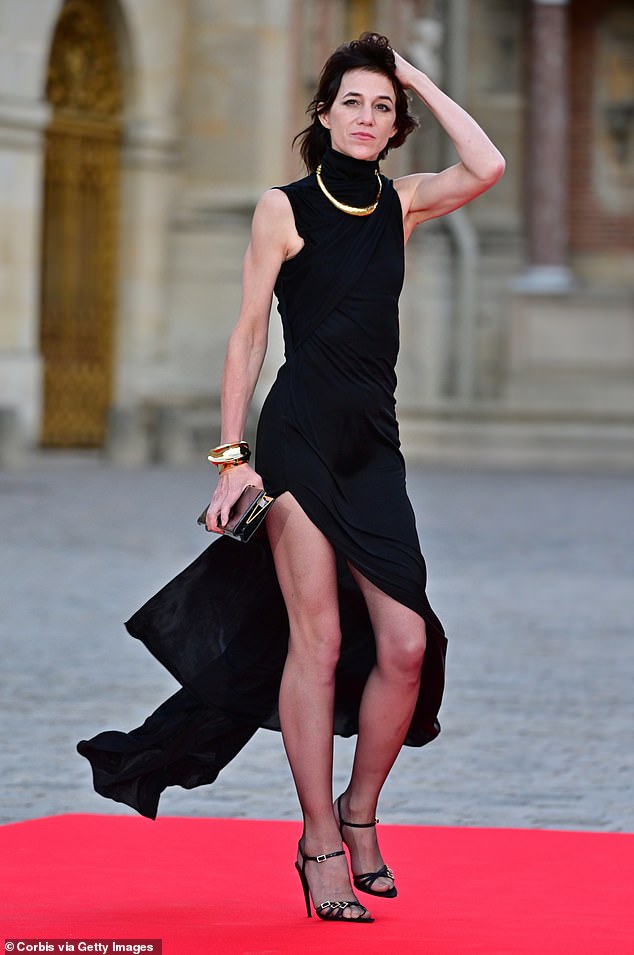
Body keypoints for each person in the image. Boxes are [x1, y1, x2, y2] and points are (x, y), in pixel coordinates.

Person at [78, 33, 504, 924]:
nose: (367, 116)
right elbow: (246, 335)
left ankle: (361, 810)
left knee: (405, 642)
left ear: (395, 128)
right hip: (300, 438)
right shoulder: (282, 208)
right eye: (352, 100)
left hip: (373, 446)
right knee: (316, 642)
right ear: (323, 114)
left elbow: (489, 162)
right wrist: (233, 458)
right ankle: (317, 840)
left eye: (383, 107)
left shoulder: (405, 205)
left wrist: (415, 73)